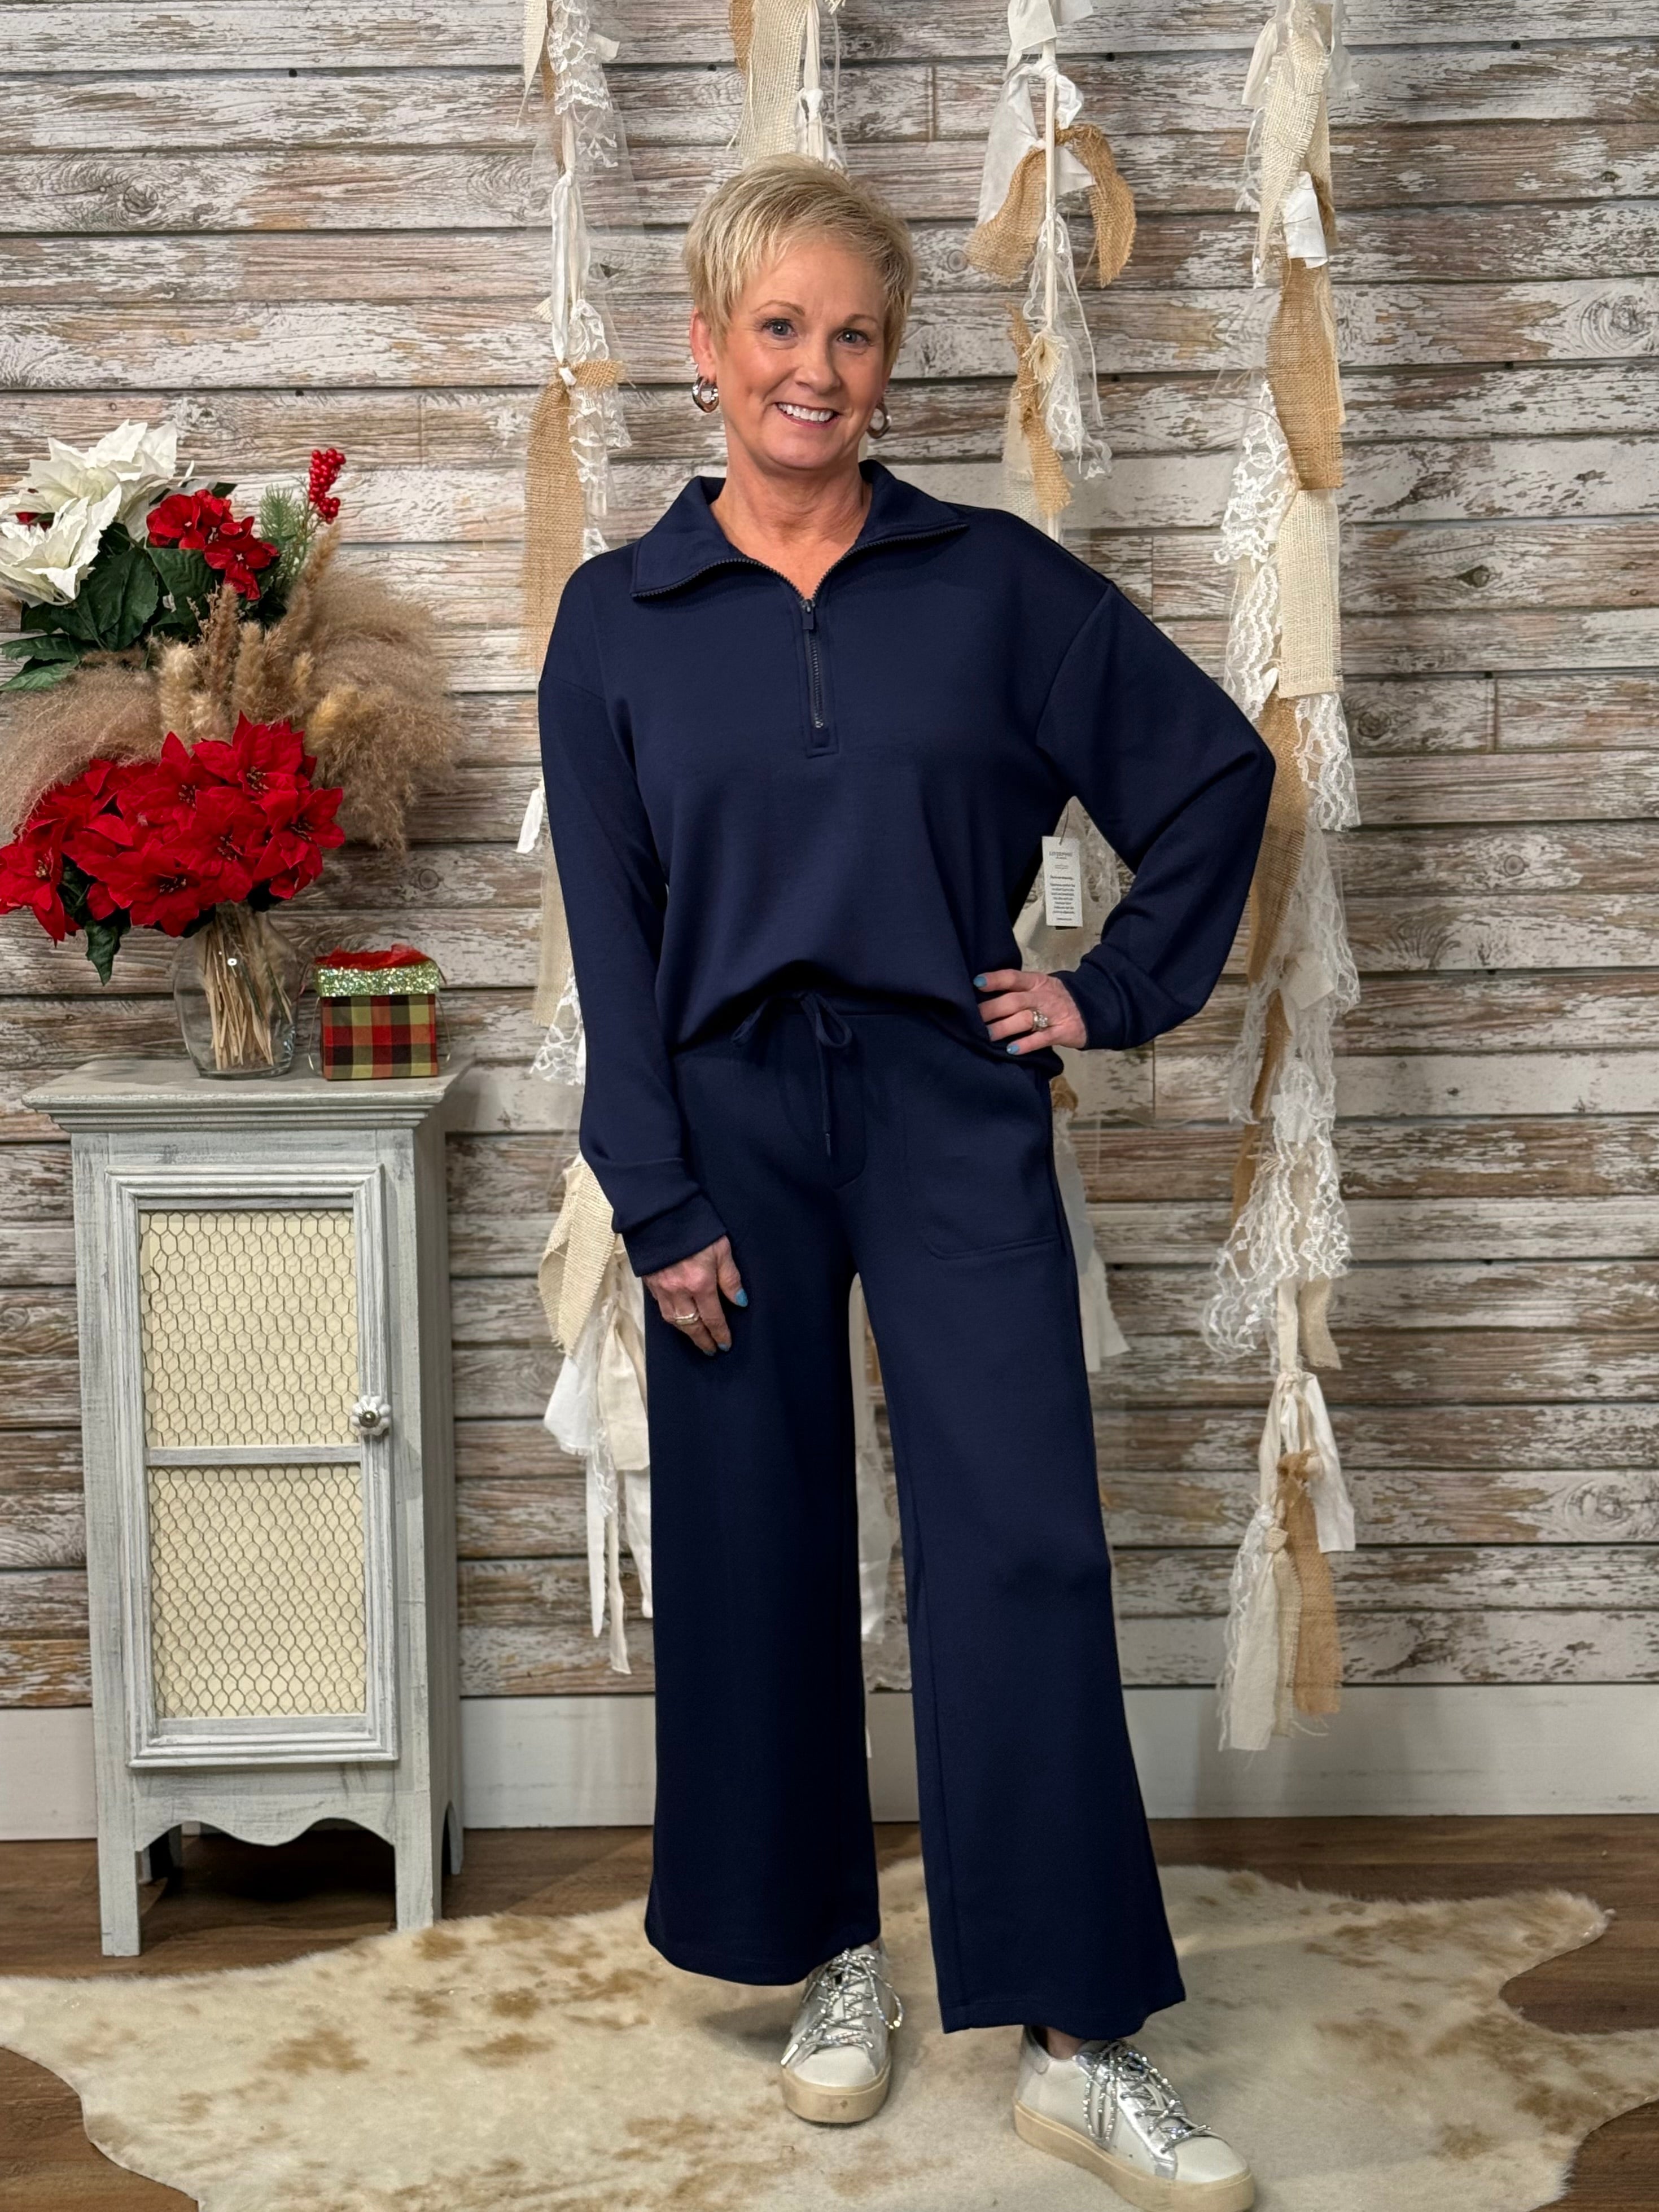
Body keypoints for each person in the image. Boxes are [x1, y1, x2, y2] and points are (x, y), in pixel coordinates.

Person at [539, 152, 1273, 2210]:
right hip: (727, 1127)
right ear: (707, 348)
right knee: (757, 1546)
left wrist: (1103, 991)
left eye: (853, 334)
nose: (816, 367)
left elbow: (1214, 775)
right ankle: (827, 1960)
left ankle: (1076, 2040)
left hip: (949, 1103)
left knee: (1017, 1539)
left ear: (889, 362)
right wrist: (654, 1193)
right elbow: (611, 938)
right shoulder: (616, 621)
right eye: (778, 327)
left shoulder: (995, 586)